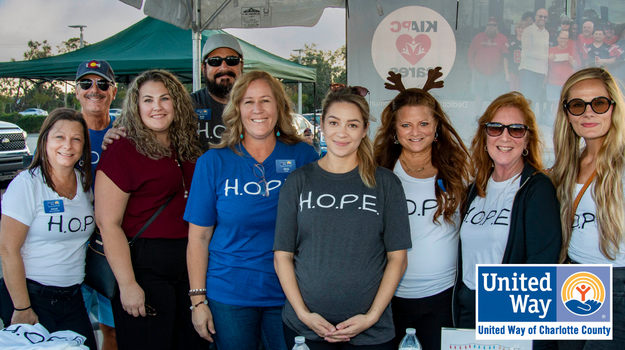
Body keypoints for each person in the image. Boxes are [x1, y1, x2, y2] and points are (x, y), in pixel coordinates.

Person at [184, 70, 319, 350]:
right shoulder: (213, 162)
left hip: (290, 294)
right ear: (237, 109)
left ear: (280, 107)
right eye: (248, 101)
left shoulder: (303, 157)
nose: (257, 109)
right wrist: (198, 301)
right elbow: (198, 238)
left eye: (265, 101)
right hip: (230, 294)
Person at [274, 84, 411, 350]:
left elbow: (398, 258)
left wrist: (371, 317)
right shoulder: (298, 181)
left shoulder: (386, 183)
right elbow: (282, 256)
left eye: (352, 125)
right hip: (306, 330)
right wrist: (304, 314)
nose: (342, 132)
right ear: (322, 125)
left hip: (371, 333)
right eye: (334, 122)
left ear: (364, 131)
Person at [94, 69, 206, 349]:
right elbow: (108, 223)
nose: (156, 107)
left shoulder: (189, 146)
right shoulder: (122, 149)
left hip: (191, 264)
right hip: (143, 266)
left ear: (176, 103)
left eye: (164, 98)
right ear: (136, 105)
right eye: (147, 100)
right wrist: (128, 284)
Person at [454, 92, 562, 349]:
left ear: (527, 139)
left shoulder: (537, 188)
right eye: (495, 128)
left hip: (510, 308)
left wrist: (501, 317)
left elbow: (541, 264)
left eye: (516, 129)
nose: (504, 137)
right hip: (468, 307)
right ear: (485, 136)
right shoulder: (475, 189)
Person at [373, 70, 470, 350]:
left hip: (443, 299)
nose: (415, 132)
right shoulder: (378, 172)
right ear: (394, 130)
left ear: (437, 126)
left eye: (424, 123)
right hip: (387, 298)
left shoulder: (459, 171)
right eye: (406, 125)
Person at [0, 108, 97, 350]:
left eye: (76, 139)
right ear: (44, 140)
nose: (68, 145)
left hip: (73, 299)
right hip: (31, 297)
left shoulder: (85, 184)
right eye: (59, 137)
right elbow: (7, 249)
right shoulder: (27, 184)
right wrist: (22, 308)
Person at [551, 67, 625, 349]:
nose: (588, 114)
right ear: (567, 114)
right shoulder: (567, 165)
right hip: (573, 279)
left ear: (613, 108)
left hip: (616, 284)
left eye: (599, 103)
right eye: (578, 105)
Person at [75, 58, 118, 349]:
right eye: (86, 83)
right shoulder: (61, 132)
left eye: (102, 84)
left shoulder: (126, 133)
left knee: (112, 330)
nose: (95, 89)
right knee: (75, 330)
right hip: (70, 245)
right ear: (76, 91)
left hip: (110, 247)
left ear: (113, 92)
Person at [191, 33, 244, 151]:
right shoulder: (187, 106)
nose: (224, 67)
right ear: (203, 68)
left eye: (232, 60)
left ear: (241, 65)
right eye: (215, 61)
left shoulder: (256, 105)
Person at [467, 16, 509, 116]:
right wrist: (473, 70)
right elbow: (470, 54)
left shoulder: (503, 38)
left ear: (497, 26)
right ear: (486, 25)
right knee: (479, 95)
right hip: (479, 72)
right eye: (489, 24)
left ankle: (492, 116)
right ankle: (477, 115)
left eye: (493, 25)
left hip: (496, 73)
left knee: (494, 96)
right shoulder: (478, 37)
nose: (491, 27)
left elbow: (506, 55)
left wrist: (504, 71)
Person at [519, 9, 550, 113]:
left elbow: (546, 52)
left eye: (545, 17)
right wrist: (547, 56)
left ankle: (530, 121)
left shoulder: (546, 33)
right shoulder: (528, 30)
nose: (542, 19)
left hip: (540, 71)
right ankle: (523, 121)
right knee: (526, 99)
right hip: (528, 69)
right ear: (536, 17)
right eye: (540, 16)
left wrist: (546, 73)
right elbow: (528, 52)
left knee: (535, 99)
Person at [547, 31, 581, 116]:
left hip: (567, 82)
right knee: (555, 104)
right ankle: (555, 124)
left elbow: (578, 65)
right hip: (553, 82)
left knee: (568, 103)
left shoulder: (572, 50)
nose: (563, 40)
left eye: (565, 38)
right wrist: (548, 57)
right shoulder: (551, 50)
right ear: (558, 38)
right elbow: (544, 65)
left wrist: (572, 61)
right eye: (561, 38)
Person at [504, 20, 528, 92]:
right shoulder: (511, 42)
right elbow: (505, 58)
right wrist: (506, 72)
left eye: (523, 28)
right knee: (514, 93)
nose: (520, 30)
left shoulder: (529, 42)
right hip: (514, 71)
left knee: (525, 94)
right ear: (516, 29)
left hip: (526, 72)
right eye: (519, 28)